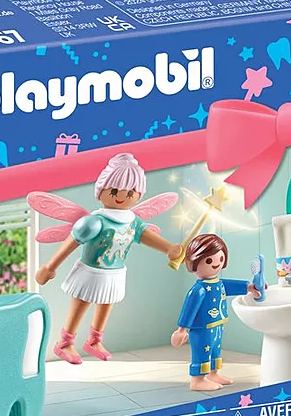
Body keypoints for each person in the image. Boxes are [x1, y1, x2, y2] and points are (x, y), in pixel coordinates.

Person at [31, 154, 181, 363]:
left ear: (138, 194)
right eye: (114, 191)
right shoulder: (94, 221)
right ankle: (64, 343)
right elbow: (71, 242)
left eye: (130, 193)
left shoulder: (133, 221)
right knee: (82, 302)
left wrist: (169, 248)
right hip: (90, 272)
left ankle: (94, 340)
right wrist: (50, 266)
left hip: (115, 272)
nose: (121, 197)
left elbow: (147, 236)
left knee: (107, 302)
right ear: (101, 190)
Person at [171, 234, 258, 391]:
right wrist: (181, 330)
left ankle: (213, 373)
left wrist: (249, 287)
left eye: (220, 258)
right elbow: (189, 309)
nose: (216, 263)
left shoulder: (219, 283)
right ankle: (197, 380)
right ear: (194, 262)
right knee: (202, 352)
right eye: (209, 261)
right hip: (202, 328)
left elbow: (232, 286)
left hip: (217, 324)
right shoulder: (198, 290)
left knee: (215, 350)